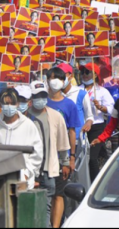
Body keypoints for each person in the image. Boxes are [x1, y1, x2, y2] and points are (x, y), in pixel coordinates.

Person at [26, 81, 71, 229]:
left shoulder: (55, 116)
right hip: (29, 170)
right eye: (37, 96)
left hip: (47, 170)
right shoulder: (24, 117)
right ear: (31, 97)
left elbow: (63, 141)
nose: (41, 99)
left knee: (46, 205)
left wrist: (65, 162)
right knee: (28, 205)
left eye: (43, 95)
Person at [46, 72, 81, 227]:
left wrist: (71, 157)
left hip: (61, 155)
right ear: (46, 80)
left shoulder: (69, 105)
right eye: (52, 77)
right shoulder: (41, 101)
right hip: (43, 156)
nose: (55, 81)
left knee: (58, 193)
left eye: (59, 78)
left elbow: (72, 132)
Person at [0, 88, 43, 191]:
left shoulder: (29, 126)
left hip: (23, 183)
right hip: (0, 183)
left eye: (12, 103)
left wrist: (26, 174)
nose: (9, 106)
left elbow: (37, 154)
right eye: (5, 103)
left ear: (18, 104)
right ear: (0, 105)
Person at [76, 63, 114, 181]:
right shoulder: (77, 90)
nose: (84, 75)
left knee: (92, 158)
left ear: (95, 75)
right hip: (81, 127)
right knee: (80, 158)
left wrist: (101, 107)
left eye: (87, 72)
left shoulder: (102, 91)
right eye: (83, 72)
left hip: (97, 127)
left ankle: (94, 184)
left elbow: (111, 108)